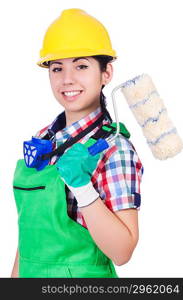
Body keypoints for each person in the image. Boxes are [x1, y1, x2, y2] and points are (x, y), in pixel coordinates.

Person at [11, 8, 144, 278]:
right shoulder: (43, 138)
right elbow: (28, 240)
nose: (67, 79)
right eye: (57, 68)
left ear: (106, 73)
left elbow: (122, 252)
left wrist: (82, 187)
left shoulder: (113, 148)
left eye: (81, 66)